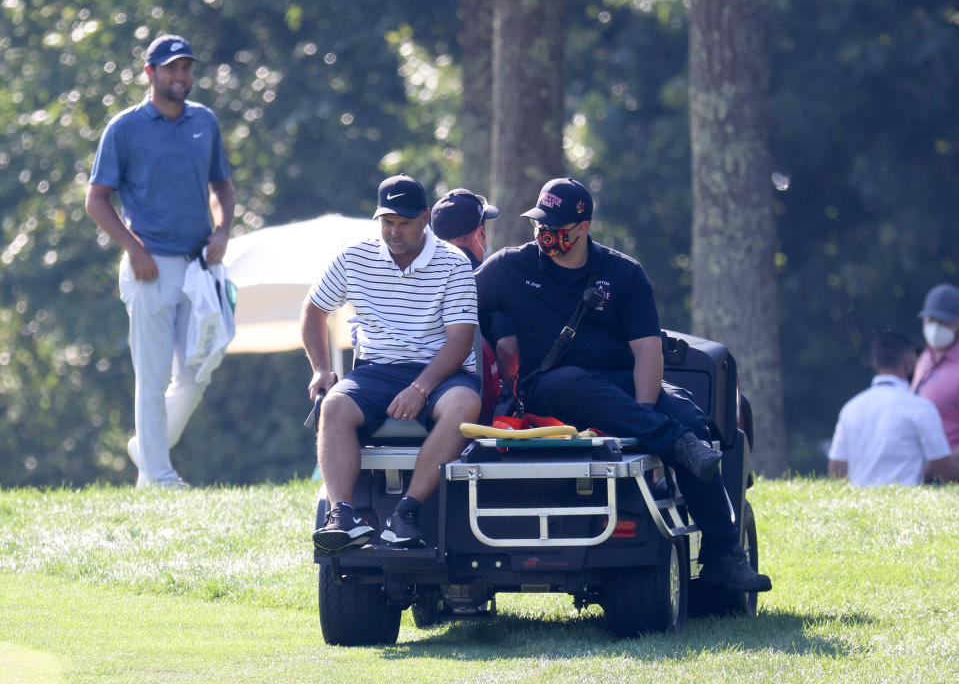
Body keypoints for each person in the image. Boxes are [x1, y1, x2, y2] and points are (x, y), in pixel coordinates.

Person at [474, 177, 772, 593]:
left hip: (619, 385)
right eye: (540, 224)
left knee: (690, 416)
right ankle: (676, 442)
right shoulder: (509, 267)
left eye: (557, 227)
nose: (546, 234)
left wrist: (644, 416)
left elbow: (647, 352)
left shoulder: (624, 273)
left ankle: (724, 556)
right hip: (547, 386)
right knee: (576, 383)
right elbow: (458, 304)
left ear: (584, 227)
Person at [85, 34, 234, 487]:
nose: (180, 76)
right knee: (151, 377)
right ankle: (157, 476)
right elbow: (96, 200)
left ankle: (145, 450)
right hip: (147, 265)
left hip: (197, 267)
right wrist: (134, 249)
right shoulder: (124, 128)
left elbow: (222, 184)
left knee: (197, 373)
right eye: (170, 69)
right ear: (150, 73)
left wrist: (224, 228)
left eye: (186, 68)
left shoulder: (204, 122)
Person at [303, 174, 482, 552]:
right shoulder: (355, 256)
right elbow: (314, 310)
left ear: (425, 218)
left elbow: (460, 341)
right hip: (376, 370)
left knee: (465, 406)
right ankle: (342, 516)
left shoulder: (453, 264)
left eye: (404, 223)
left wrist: (421, 388)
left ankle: (406, 512)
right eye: (387, 222)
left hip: (442, 371)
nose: (394, 232)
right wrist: (321, 368)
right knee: (333, 406)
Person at [431, 188, 518, 421]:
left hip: (414, 402)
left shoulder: (414, 280)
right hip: (474, 408)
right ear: (479, 233)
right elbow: (508, 348)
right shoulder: (489, 281)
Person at [828, 331, 959, 485]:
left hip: (859, 505)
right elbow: (945, 471)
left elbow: (836, 471)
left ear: (875, 363)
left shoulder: (850, 409)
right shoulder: (922, 408)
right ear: (910, 363)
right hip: (908, 504)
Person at [911, 283, 959, 450]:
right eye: (931, 320)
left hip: (950, 468)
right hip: (918, 464)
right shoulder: (925, 358)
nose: (936, 327)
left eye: (944, 321)